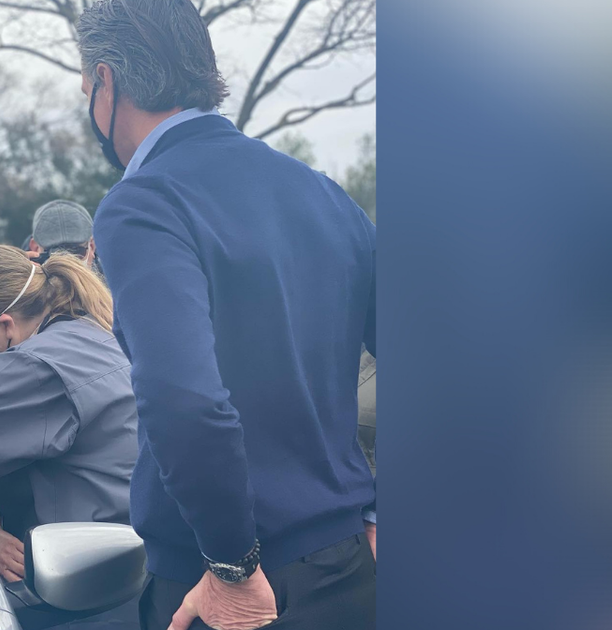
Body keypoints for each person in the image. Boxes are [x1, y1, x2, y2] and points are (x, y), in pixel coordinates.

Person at [77, 1, 377, 629]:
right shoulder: (324, 194)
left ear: (106, 80)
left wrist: (231, 564)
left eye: (86, 86)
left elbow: (184, 399)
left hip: (223, 586)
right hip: (348, 571)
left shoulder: (144, 202)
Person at [0, 245, 139, 628]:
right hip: (131, 579)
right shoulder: (90, 333)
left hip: (80, 601)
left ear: (6, 325)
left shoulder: (34, 368)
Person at [29, 200, 100, 273]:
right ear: (35, 248)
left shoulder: (107, 276)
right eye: (55, 253)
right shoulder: (25, 276)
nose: (67, 264)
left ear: (92, 246)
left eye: (76, 251)